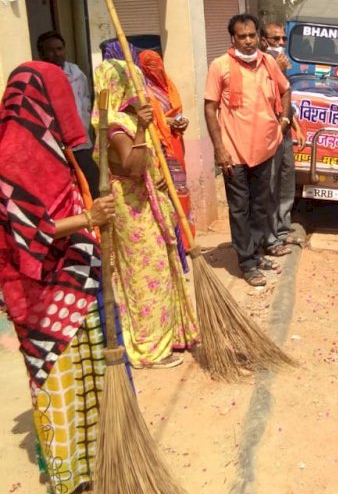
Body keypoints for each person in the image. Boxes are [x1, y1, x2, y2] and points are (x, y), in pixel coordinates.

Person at [0, 61, 116, 492]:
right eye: (59, 94)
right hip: (41, 290)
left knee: (85, 371)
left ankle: (93, 462)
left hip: (75, 278)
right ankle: (68, 473)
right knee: (57, 374)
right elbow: (24, 228)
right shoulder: (14, 150)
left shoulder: (50, 146)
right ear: (41, 100)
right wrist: (87, 217)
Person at [93, 59, 199, 368]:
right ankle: (151, 347)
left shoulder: (126, 118)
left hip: (149, 204)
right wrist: (140, 127)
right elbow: (132, 166)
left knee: (163, 270)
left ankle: (172, 333)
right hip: (133, 211)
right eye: (133, 82)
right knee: (145, 276)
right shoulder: (113, 124)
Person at [205, 13, 292, 287]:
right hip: (234, 152)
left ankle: (254, 251)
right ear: (233, 38)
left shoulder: (268, 63)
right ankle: (247, 262)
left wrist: (284, 121)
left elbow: (286, 90)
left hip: (266, 148)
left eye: (252, 35)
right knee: (240, 208)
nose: (248, 41)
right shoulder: (220, 66)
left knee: (261, 205)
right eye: (242, 36)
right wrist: (219, 148)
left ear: (258, 37)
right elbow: (210, 107)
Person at [138, 49, 195, 244]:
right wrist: (167, 122)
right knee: (164, 191)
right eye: (150, 65)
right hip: (158, 147)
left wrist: (179, 121)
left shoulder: (168, 85)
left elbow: (176, 110)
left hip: (175, 144)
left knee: (180, 188)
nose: (156, 68)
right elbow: (148, 119)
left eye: (157, 63)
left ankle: (186, 239)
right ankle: (170, 238)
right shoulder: (142, 89)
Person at [260, 23, 306, 255]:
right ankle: (269, 237)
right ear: (263, 41)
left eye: (283, 39)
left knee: (286, 182)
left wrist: (295, 125)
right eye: (275, 39)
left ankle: (282, 230)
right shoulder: (261, 64)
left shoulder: (282, 65)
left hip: (285, 130)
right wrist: (273, 70)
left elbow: (286, 96)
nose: (280, 44)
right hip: (267, 132)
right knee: (270, 184)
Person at [37, 30, 98, 198]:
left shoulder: (77, 74)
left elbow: (85, 106)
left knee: (93, 185)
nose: (56, 54)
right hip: (57, 146)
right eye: (50, 50)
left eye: (59, 48)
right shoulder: (39, 77)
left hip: (82, 142)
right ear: (41, 53)